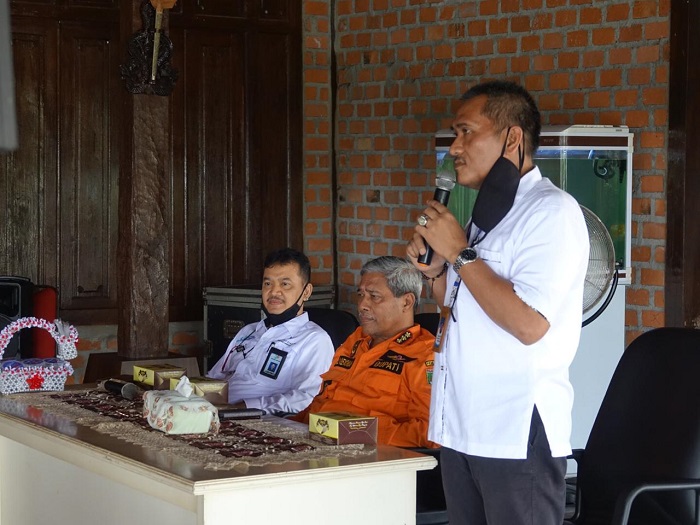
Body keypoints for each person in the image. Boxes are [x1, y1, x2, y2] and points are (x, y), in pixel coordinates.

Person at [406, 81, 589, 524]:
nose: (455, 148)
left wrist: (458, 251)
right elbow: (462, 307)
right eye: (455, 134)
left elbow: (529, 325)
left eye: (467, 132)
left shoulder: (551, 212)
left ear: (512, 138)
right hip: (461, 424)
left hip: (514, 430)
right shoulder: (486, 215)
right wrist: (436, 272)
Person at [294, 256, 436, 448]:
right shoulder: (356, 340)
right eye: (361, 294)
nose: (362, 305)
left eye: (374, 296)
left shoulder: (425, 355)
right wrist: (285, 427)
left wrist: (360, 431)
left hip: (368, 456)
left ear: (406, 302)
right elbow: (320, 403)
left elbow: (430, 433)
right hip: (314, 439)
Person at [207, 248, 335, 415]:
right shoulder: (249, 331)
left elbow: (307, 399)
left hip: (254, 420)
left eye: (285, 284)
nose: (274, 292)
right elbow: (213, 378)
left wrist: (245, 407)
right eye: (267, 284)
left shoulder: (314, 340)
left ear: (306, 292)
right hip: (213, 411)